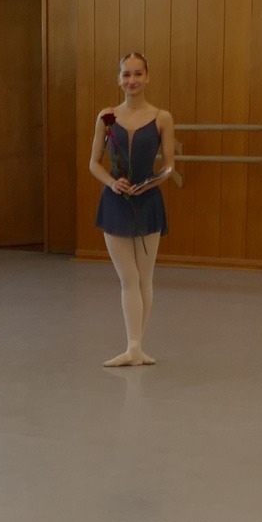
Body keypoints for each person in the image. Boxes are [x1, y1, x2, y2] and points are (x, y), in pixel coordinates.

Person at [89, 52, 175, 367]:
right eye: (126, 74)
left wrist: (149, 185)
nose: (132, 80)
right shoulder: (107, 117)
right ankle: (132, 347)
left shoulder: (162, 118)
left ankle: (136, 346)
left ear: (147, 77)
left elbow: (168, 166)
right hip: (115, 203)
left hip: (148, 203)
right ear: (119, 79)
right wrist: (113, 183)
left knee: (144, 277)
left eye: (138, 74)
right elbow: (94, 163)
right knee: (128, 277)